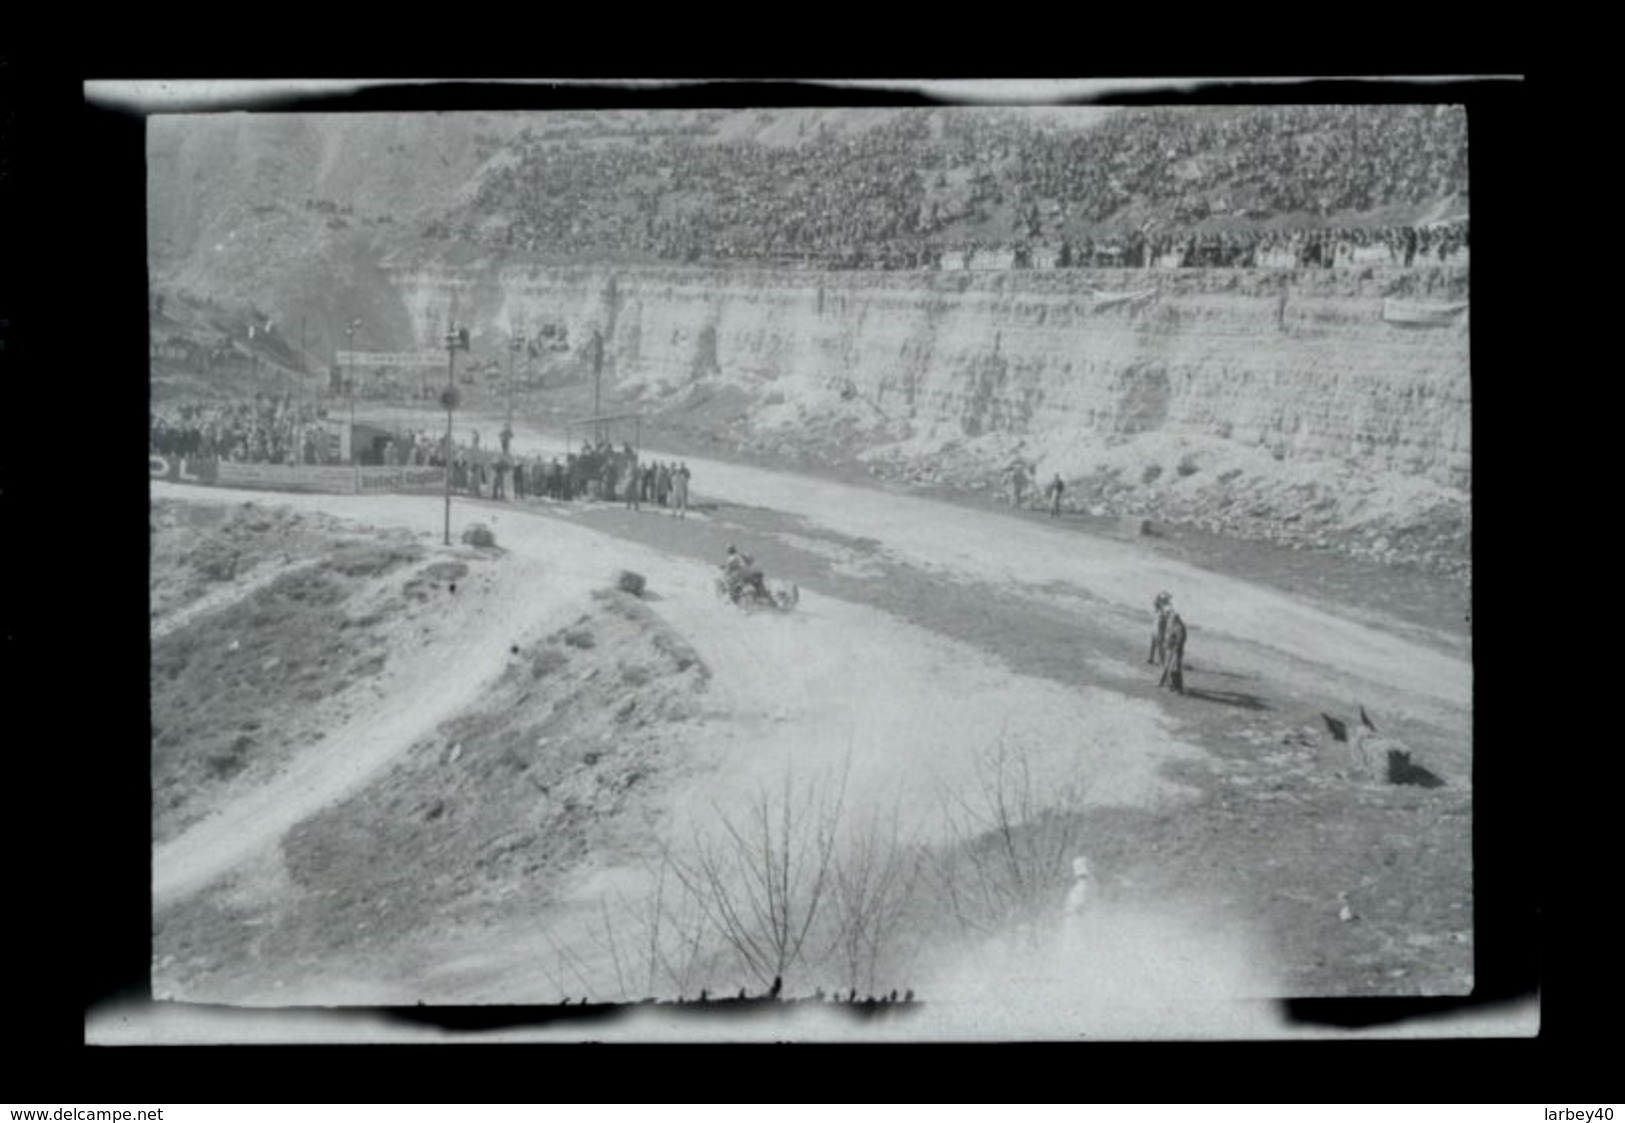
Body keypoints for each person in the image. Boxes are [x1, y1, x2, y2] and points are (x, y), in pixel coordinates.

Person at [1159, 609, 1187, 694]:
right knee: (1171, 669)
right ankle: (1173, 687)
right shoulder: (1174, 625)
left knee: (1175, 670)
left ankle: (1178, 688)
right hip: (1171, 650)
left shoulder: (1179, 627)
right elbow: (1170, 637)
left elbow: (1180, 640)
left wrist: (1174, 647)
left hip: (1176, 651)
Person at [1148, 591, 1173, 665]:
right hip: (1157, 625)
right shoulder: (1161, 607)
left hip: (1160, 626)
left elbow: (1167, 616)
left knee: (1159, 644)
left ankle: (1162, 661)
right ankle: (1152, 658)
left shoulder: (1166, 607)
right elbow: (1155, 603)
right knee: (1154, 643)